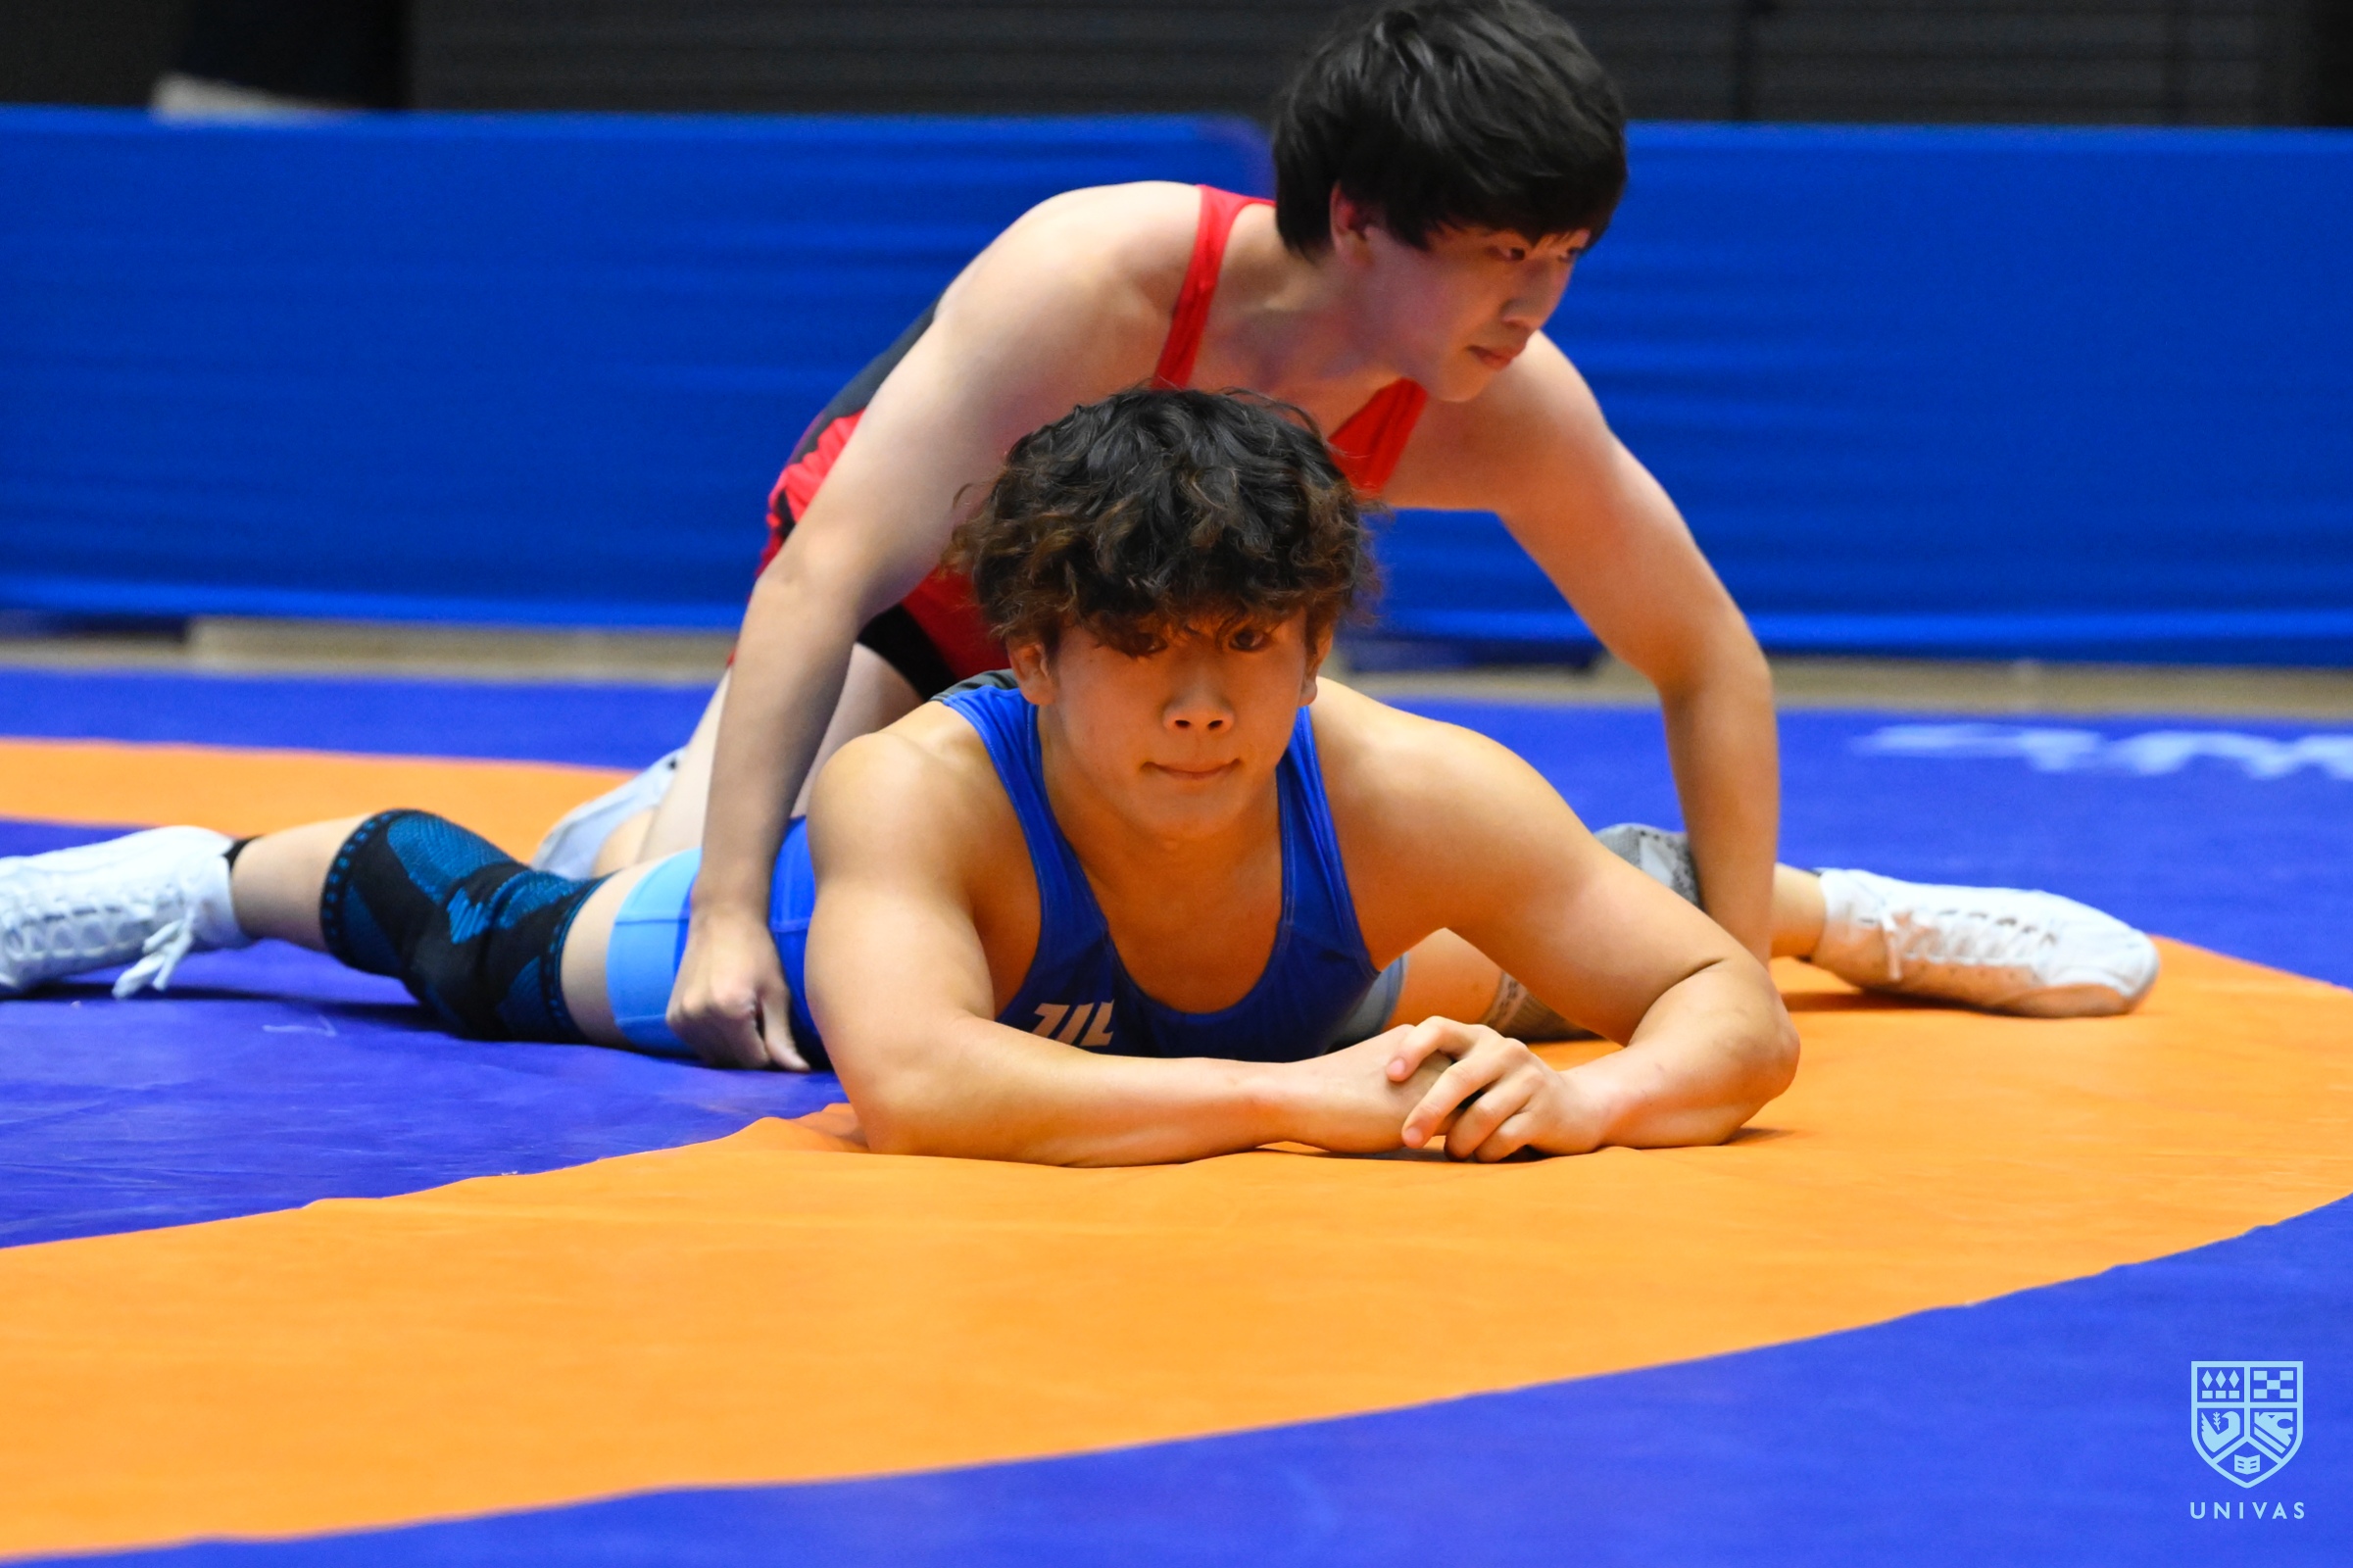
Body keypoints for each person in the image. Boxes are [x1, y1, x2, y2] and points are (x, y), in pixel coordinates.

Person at [514, 1, 2157, 1068]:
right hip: (926, 616)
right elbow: (825, 576)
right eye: (1500, 253)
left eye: (1563, 257)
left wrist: (1717, 969)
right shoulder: (1093, 279)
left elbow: (1702, 654)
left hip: (1162, 668)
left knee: (1299, 947)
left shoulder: (1505, 399)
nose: (1534, 301)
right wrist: (725, 906)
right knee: (681, 921)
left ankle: (1830, 914)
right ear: (1358, 221)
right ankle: (660, 822)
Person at [1, 391, 1801, 1164]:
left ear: (1315, 642)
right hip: (842, 951)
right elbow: (922, 1083)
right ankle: (206, 878)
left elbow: (1726, 1011)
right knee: (483, 937)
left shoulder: (1413, 785)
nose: (1203, 705)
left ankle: (1833, 905)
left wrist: (1584, 1111)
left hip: (1263, 987)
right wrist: (1299, 1104)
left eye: (1251, 642)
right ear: (1034, 655)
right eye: (1145, 647)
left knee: (1569, 967)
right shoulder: (915, 789)